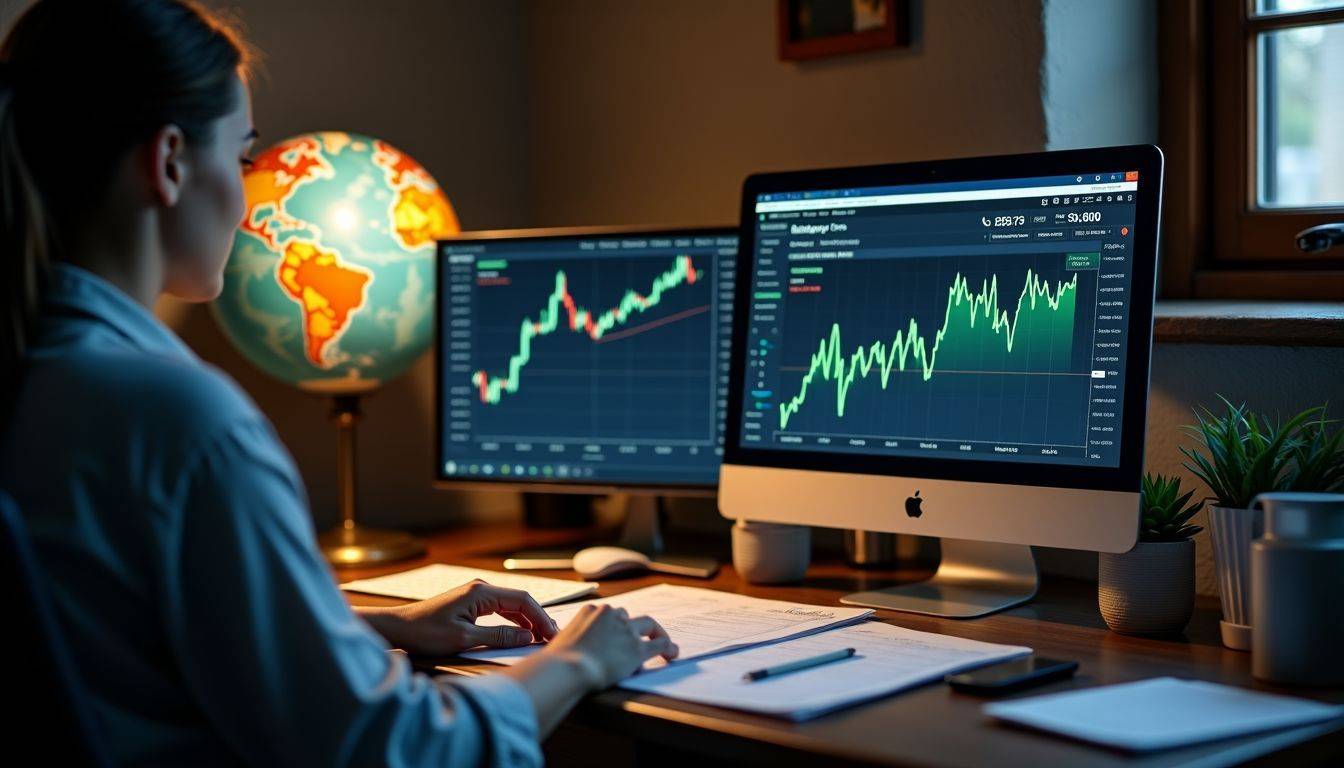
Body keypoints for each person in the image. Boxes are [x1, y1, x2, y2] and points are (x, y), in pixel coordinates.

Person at [0, 1, 677, 765]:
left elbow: (133, 634)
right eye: (246, 159)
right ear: (169, 164)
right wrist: (579, 660)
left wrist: (370, 626)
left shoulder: (42, 377)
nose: (249, 195)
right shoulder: (181, 421)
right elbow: (391, 747)